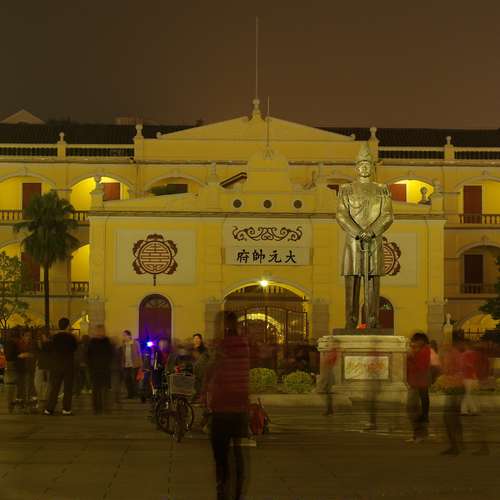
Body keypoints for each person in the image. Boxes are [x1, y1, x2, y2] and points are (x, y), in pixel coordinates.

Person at [336, 143, 394, 328]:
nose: (364, 168)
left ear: (372, 167)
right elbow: (341, 215)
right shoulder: (346, 189)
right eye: (361, 165)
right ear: (356, 167)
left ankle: (372, 321)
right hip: (354, 242)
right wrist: (358, 232)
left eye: (367, 164)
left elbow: (387, 215)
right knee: (352, 281)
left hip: (374, 240)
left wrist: (371, 231)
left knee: (373, 282)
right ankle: (350, 321)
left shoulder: (382, 189)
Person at [204, 311, 250, 500]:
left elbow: (211, 372)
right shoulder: (244, 345)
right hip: (240, 407)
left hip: (222, 407)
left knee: (221, 456)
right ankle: (237, 493)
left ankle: (222, 491)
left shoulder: (221, 347)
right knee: (237, 451)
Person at [44, 318, 78, 416]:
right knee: (67, 388)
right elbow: (74, 348)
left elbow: (50, 349)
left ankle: (49, 408)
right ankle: (66, 409)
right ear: (67, 326)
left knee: (55, 388)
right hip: (68, 365)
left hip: (57, 365)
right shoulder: (71, 338)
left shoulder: (55, 338)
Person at [406, 332, 431, 442]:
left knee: (413, 408)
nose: (413, 343)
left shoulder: (424, 351)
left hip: (419, 383)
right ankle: (419, 434)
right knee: (413, 409)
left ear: (421, 341)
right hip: (415, 383)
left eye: (415, 341)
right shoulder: (420, 351)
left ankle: (420, 435)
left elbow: (421, 367)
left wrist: (412, 357)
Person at [87, 324, 113, 414]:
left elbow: (111, 354)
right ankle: (97, 408)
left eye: (101, 330)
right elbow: (88, 356)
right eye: (99, 330)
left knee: (105, 390)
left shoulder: (107, 341)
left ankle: (105, 407)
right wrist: (90, 366)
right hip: (95, 369)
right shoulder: (92, 342)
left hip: (104, 369)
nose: (100, 332)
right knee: (96, 390)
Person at [121, 330, 142, 398]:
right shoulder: (123, 344)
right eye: (123, 335)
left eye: (124, 335)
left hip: (134, 365)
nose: (123, 337)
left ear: (129, 336)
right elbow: (123, 355)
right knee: (127, 380)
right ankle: (130, 394)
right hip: (126, 365)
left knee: (134, 380)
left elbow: (139, 354)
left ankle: (135, 394)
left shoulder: (135, 343)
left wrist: (140, 364)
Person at [34, 330, 52, 403]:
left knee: (39, 381)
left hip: (42, 364)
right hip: (48, 365)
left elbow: (39, 353)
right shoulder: (52, 344)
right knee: (47, 381)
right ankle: (46, 396)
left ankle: (41, 396)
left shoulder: (42, 344)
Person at [192, 333, 209, 402]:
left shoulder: (204, 350)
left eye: (198, 338)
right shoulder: (191, 350)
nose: (196, 340)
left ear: (201, 340)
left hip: (201, 373)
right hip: (193, 373)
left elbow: (205, 361)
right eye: (195, 339)